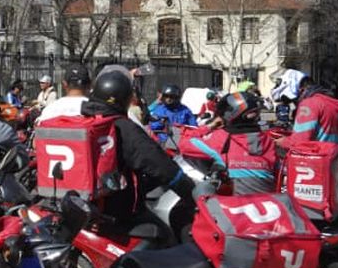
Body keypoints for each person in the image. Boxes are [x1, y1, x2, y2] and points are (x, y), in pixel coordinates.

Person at [83, 69, 196, 238]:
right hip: (116, 214)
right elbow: (159, 165)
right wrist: (190, 190)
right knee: (165, 235)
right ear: (125, 99)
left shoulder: (84, 121)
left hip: (82, 209)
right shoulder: (123, 127)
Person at [182, 92, 278, 194]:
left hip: (237, 205)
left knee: (200, 191)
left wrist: (210, 126)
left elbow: (184, 144)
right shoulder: (269, 139)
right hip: (269, 203)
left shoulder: (221, 137)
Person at [277, 68, 338, 149]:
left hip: (318, 156)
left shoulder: (309, 104)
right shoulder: (337, 103)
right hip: (337, 155)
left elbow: (299, 141)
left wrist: (282, 142)